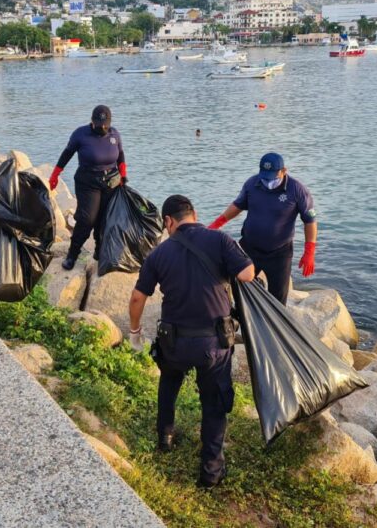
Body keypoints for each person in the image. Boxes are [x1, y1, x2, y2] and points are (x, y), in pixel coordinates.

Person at [129, 195, 255, 488]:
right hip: (214, 345)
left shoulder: (158, 254)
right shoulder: (221, 241)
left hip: (174, 342)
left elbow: (137, 297)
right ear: (194, 215)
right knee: (214, 403)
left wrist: (135, 333)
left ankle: (165, 437)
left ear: (168, 222)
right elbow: (248, 274)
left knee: (169, 382)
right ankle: (210, 473)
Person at [209, 152, 317, 305]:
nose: (267, 180)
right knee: (240, 289)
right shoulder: (252, 184)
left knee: (278, 300)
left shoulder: (297, 190)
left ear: (284, 171)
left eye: (272, 176)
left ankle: (273, 325)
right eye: (264, 176)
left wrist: (309, 251)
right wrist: (216, 224)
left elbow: (310, 221)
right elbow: (237, 206)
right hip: (249, 248)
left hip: (280, 253)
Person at [49, 105, 127, 270]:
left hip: (111, 182)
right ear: (92, 122)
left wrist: (123, 175)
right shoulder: (81, 134)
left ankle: (99, 250)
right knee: (87, 219)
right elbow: (67, 153)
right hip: (87, 181)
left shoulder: (114, 134)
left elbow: (120, 156)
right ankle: (72, 254)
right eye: (100, 125)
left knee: (105, 218)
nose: (103, 128)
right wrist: (55, 174)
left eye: (106, 124)